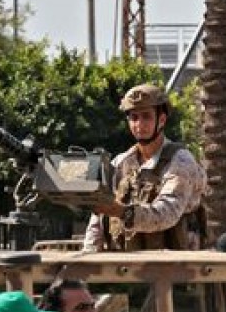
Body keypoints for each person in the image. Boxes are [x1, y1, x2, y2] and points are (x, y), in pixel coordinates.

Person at [82, 83, 207, 252]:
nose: (139, 124)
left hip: (175, 268)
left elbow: (167, 214)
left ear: (161, 120)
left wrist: (122, 212)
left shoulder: (180, 161)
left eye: (146, 116)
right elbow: (97, 221)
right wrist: (88, 259)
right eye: (134, 117)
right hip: (123, 269)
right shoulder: (120, 163)